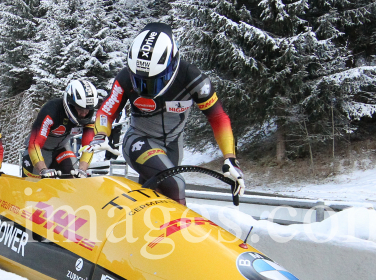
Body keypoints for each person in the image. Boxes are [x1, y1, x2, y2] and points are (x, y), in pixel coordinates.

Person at [80, 23, 243, 205]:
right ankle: (181, 231)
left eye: (154, 81)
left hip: (173, 146)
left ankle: (142, 232)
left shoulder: (193, 79)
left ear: (172, 66)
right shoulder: (125, 77)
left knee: (155, 200)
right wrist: (101, 134)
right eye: (139, 81)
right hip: (138, 140)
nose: (145, 88)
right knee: (175, 184)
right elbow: (107, 111)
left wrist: (230, 158)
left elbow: (218, 117)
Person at [22, 79, 98, 178]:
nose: (84, 114)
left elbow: (88, 145)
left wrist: (82, 169)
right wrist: (43, 169)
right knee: (34, 186)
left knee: (74, 176)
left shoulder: (90, 117)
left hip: (61, 148)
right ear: (70, 104)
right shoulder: (51, 111)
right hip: (40, 149)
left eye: (87, 110)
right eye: (80, 109)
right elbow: (34, 143)